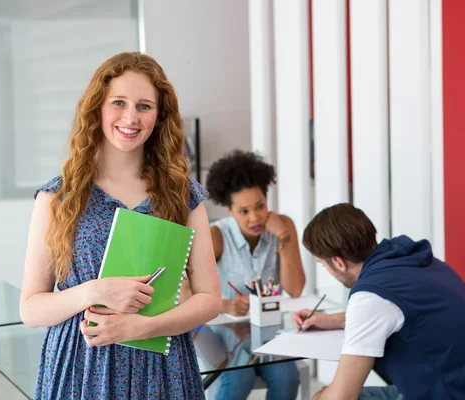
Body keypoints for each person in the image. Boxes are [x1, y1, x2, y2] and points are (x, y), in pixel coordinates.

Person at [19, 52, 221, 400]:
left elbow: (210, 299)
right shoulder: (57, 197)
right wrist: (94, 291)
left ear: (159, 116)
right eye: (118, 102)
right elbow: (31, 309)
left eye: (144, 106)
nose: (131, 117)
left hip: (163, 368)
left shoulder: (183, 195)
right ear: (97, 107)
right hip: (81, 367)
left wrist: (146, 326)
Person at [292, 203, 465, 400]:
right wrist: (331, 320)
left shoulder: (370, 297)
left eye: (323, 265)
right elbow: (394, 312)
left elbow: (342, 397)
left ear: (338, 263)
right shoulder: (415, 260)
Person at [205, 150, 306, 400]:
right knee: (240, 378)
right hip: (224, 330)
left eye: (260, 206)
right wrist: (226, 304)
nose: (255, 218)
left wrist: (284, 238)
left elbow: (295, 289)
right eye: (243, 211)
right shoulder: (216, 236)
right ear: (229, 210)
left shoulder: (283, 227)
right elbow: (186, 292)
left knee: (287, 377)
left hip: (268, 329)